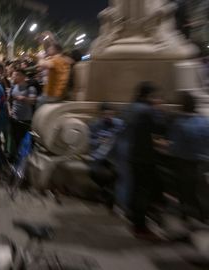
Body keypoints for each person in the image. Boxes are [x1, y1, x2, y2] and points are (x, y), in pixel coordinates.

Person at [124, 82, 166, 240]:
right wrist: (159, 110)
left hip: (132, 152)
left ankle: (135, 221)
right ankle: (140, 227)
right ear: (148, 95)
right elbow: (159, 128)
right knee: (143, 191)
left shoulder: (131, 107)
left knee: (136, 188)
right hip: (145, 157)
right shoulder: (148, 111)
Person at [167, 92, 209, 221]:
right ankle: (204, 216)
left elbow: (175, 146)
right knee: (200, 190)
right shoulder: (204, 121)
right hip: (202, 161)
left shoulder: (179, 123)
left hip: (184, 161)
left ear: (182, 106)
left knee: (185, 190)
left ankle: (186, 215)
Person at [88, 103, 124, 207]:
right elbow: (90, 140)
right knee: (94, 172)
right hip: (99, 154)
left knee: (116, 172)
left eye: (111, 114)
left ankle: (110, 195)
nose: (108, 116)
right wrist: (99, 141)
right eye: (106, 114)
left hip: (114, 155)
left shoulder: (119, 124)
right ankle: (104, 191)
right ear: (101, 114)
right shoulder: (95, 125)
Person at [8, 69, 37, 162]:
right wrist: (10, 110)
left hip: (25, 121)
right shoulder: (13, 87)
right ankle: (18, 162)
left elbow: (32, 101)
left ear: (23, 77)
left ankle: (26, 163)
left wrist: (23, 98)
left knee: (26, 143)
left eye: (16, 75)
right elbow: (9, 100)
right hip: (15, 119)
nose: (14, 77)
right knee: (16, 141)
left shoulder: (30, 88)